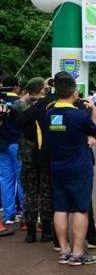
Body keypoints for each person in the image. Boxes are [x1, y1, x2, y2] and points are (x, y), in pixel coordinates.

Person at [46, 75, 96, 266]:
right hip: (79, 168)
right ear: (73, 91)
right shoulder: (79, 115)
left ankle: (64, 250)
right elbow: (95, 132)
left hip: (57, 166)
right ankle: (78, 253)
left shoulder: (49, 114)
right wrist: (93, 110)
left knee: (60, 207)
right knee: (80, 209)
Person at [13, 77, 54, 243]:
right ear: (41, 88)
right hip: (44, 153)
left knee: (30, 193)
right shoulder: (47, 104)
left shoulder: (19, 104)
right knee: (46, 192)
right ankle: (46, 231)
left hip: (26, 155)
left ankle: (30, 232)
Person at [0, 76, 25, 227]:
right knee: (21, 178)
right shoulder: (20, 102)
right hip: (16, 142)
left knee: (5, 179)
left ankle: (9, 214)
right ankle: (23, 211)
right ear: (16, 87)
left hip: (1, 143)